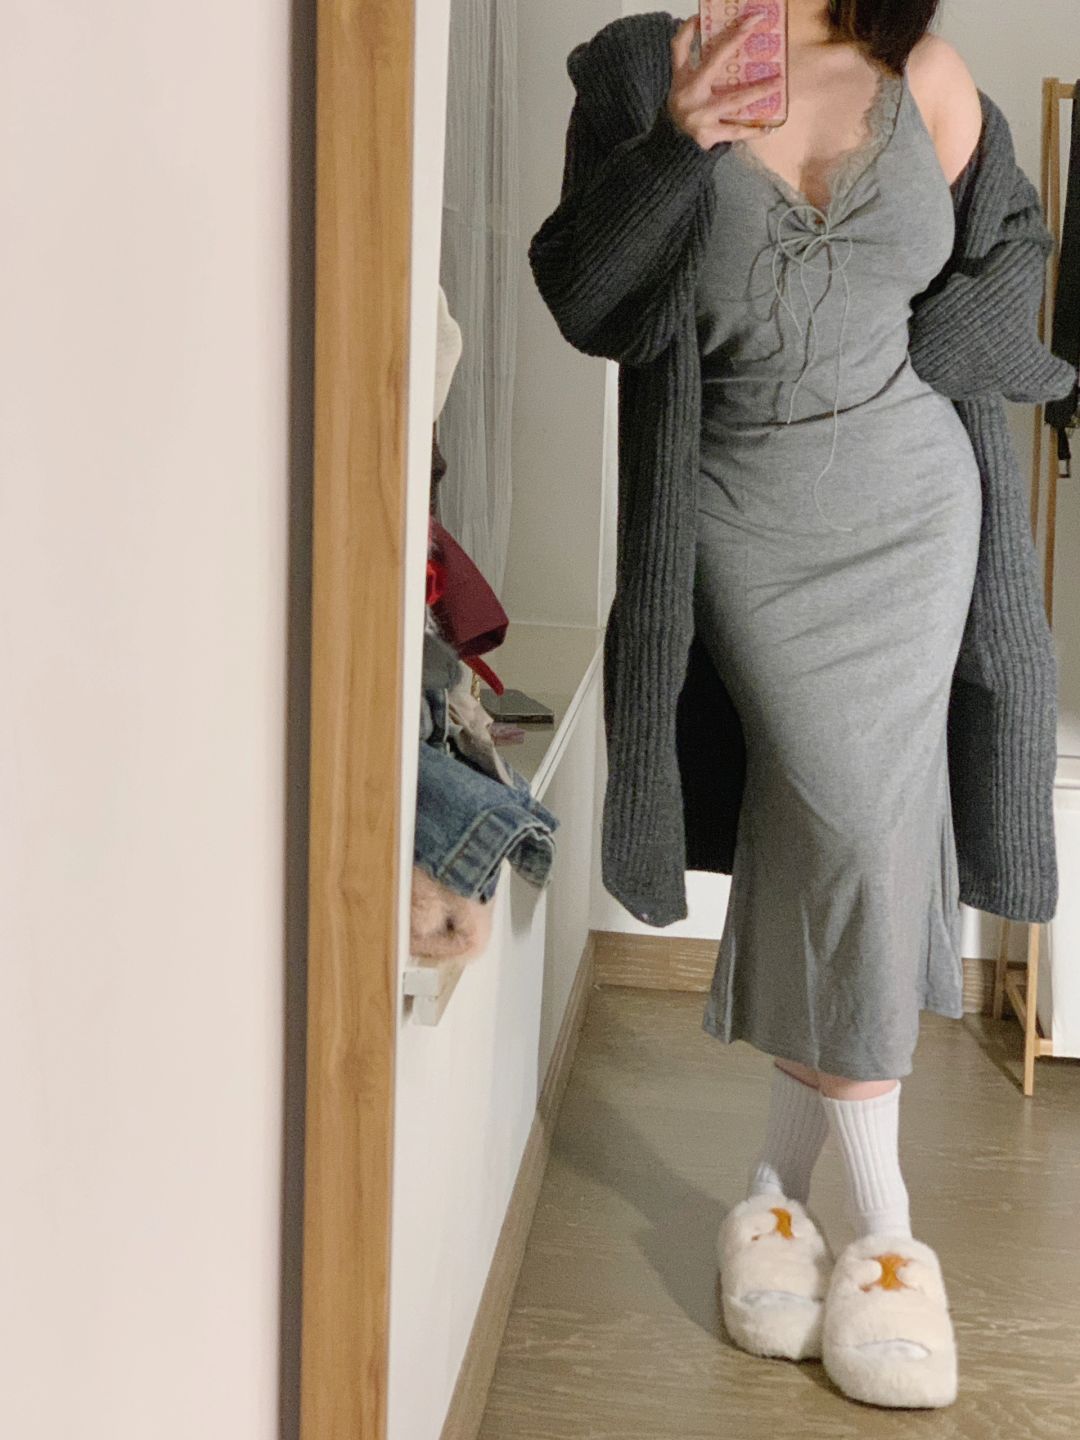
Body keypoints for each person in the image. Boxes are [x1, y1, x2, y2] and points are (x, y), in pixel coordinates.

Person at [529, 0, 1066, 1412]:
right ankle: (877, 1228)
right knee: (838, 822)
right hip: (743, 514)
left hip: (917, 509)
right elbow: (584, 298)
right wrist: (677, 145)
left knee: (851, 832)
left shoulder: (925, 73)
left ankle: (799, 1205)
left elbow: (1009, 251)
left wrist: (954, 348)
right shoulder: (642, 69)